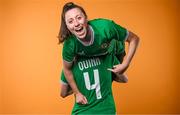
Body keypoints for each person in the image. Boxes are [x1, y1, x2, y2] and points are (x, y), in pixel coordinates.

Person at [58, 2, 139, 105]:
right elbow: (67, 69)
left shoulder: (105, 27)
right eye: (70, 21)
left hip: (111, 50)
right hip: (89, 56)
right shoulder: (70, 44)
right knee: (64, 89)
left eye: (79, 18)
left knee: (120, 75)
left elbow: (134, 39)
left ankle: (114, 75)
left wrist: (125, 63)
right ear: (67, 26)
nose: (76, 24)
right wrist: (77, 92)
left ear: (86, 18)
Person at [60, 53, 126, 114]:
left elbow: (63, 93)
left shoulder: (68, 67)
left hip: (83, 112)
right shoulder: (108, 56)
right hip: (107, 110)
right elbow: (124, 79)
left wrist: (77, 90)